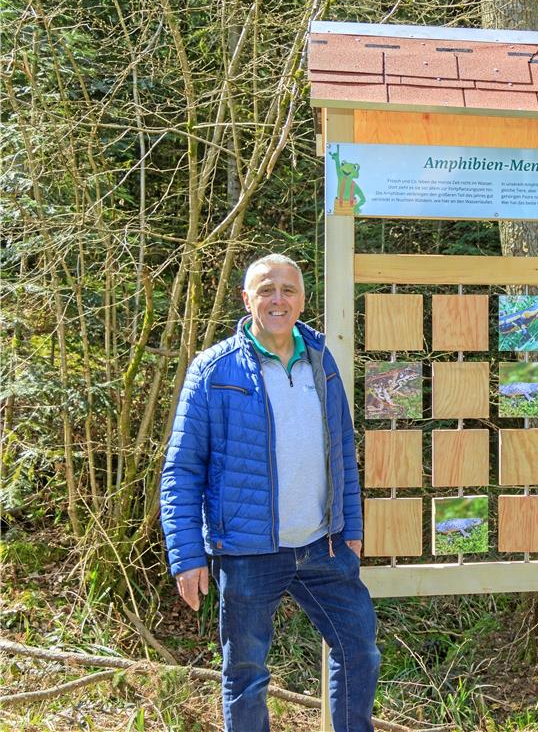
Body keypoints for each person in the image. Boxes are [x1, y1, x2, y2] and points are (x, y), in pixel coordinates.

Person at [160, 254, 380, 732]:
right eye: (266, 290)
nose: (278, 299)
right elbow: (181, 468)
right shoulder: (213, 370)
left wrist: (352, 527)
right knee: (246, 674)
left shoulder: (322, 361)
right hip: (247, 552)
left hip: (324, 546)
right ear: (248, 299)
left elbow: (341, 448)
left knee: (358, 650)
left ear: (302, 299)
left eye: (287, 290)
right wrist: (187, 556)